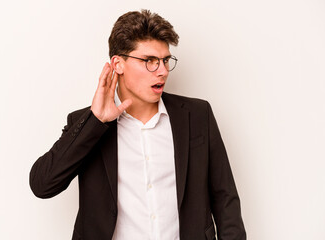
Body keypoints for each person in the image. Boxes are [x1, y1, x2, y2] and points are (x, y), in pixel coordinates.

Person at [30, 9, 246, 240]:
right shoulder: (87, 124)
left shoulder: (197, 115)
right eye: (149, 61)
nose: (162, 71)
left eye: (165, 60)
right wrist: (96, 121)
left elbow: (225, 199)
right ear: (118, 64)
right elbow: (43, 185)